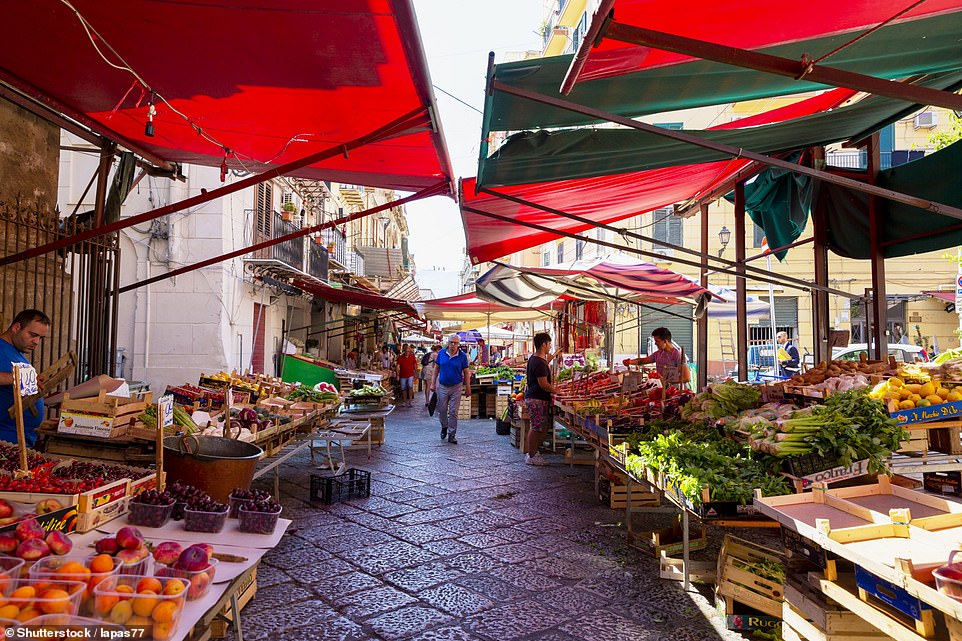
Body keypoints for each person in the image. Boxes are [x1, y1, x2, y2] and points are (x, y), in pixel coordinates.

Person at [0, 310, 50, 447]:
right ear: (16, 328)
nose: (37, 342)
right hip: (4, 440)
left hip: (21, 442)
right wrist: (16, 378)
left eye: (41, 338)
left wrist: (32, 382)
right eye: (33, 335)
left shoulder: (18, 354)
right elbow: (13, 378)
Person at [524, 332, 561, 466]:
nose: (550, 346)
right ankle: (532, 455)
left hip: (535, 397)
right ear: (543, 344)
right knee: (537, 428)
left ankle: (532, 453)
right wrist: (557, 391)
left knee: (540, 427)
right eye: (549, 344)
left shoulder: (535, 359)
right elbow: (543, 384)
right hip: (537, 398)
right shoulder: (539, 362)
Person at [431, 335, 470, 444]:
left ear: (458, 344)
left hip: (456, 386)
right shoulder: (442, 353)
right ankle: (444, 426)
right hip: (442, 386)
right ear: (448, 343)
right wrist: (433, 383)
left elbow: (466, 372)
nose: (453, 345)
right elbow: (436, 369)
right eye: (451, 342)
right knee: (442, 410)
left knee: (453, 412)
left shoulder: (462, 356)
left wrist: (468, 387)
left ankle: (451, 434)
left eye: (455, 343)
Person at [623, 327, 691, 388]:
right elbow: (642, 361)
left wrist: (666, 381)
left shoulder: (678, 355)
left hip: (673, 391)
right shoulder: (659, 353)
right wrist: (630, 362)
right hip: (660, 388)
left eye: (657, 341)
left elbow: (686, 377)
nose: (655, 343)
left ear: (665, 341)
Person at [396, 344, 418, 408]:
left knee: (410, 386)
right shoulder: (400, 357)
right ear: (404, 351)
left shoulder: (412, 356)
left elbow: (415, 365)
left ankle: (410, 401)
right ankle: (405, 401)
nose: (407, 353)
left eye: (408, 351)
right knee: (403, 388)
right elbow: (398, 366)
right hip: (402, 375)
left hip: (410, 374)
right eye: (406, 351)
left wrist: (416, 373)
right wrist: (397, 375)